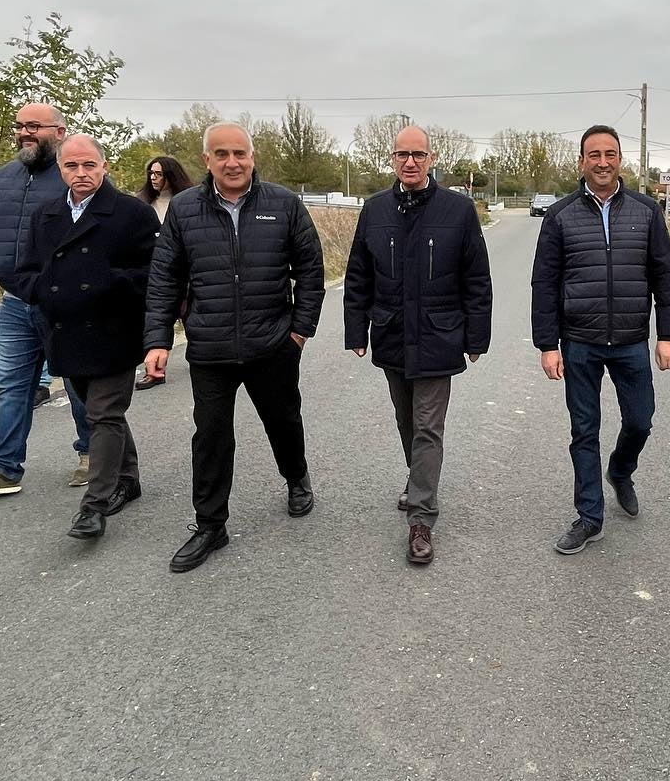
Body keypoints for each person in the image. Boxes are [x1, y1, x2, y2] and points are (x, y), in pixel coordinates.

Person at [143, 122, 326, 573]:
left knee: (283, 420)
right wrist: (158, 340)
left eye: (239, 153)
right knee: (210, 436)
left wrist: (300, 330)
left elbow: (310, 268)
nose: (232, 162)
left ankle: (296, 478)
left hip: (273, 343)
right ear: (206, 160)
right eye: (221, 154)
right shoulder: (184, 210)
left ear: (253, 156)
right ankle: (210, 524)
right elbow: (165, 278)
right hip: (210, 346)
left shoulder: (283, 204)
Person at [531, 124, 670, 555]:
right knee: (584, 430)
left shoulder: (647, 211)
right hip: (580, 341)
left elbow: (664, 274)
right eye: (593, 154)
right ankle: (590, 517)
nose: (602, 161)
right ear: (582, 161)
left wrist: (668, 333)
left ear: (620, 159)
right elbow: (544, 284)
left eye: (610, 153)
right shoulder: (560, 216)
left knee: (640, 420)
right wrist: (548, 344)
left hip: (632, 340)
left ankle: (620, 470)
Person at [343, 125, 492, 565]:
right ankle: (418, 478)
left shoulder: (458, 211)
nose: (410, 161)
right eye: (402, 154)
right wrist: (356, 331)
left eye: (418, 154)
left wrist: (476, 336)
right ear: (392, 159)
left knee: (428, 426)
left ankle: (421, 518)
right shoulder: (374, 210)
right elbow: (358, 275)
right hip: (390, 330)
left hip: (439, 334)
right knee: (406, 419)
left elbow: (476, 278)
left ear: (431, 158)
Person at [16, 134, 160, 539]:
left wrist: (105, 283)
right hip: (64, 332)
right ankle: (128, 478)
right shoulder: (46, 215)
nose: (81, 174)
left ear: (104, 166)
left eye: (89, 166)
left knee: (103, 415)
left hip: (114, 331)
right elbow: (25, 269)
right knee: (103, 414)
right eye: (71, 167)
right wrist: (43, 292)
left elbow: (155, 274)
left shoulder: (132, 214)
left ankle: (94, 506)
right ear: (60, 170)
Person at [0, 103, 92, 498]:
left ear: (60, 132)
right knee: (12, 385)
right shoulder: (4, 177)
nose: (24, 133)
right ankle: (4, 469)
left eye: (34, 126)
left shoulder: (72, 177)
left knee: (79, 381)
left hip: (61, 302)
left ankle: (92, 455)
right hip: (14, 302)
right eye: (19, 126)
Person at [133, 154, 193, 390]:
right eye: (151, 173)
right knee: (157, 319)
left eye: (159, 174)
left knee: (191, 316)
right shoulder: (141, 204)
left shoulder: (188, 202)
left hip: (186, 272)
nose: (153, 178)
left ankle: (201, 358)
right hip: (153, 272)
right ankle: (155, 370)